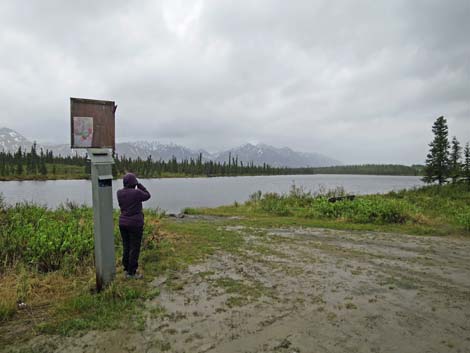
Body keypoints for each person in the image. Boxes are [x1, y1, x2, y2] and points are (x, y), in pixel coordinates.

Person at [117, 173, 151, 279]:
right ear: (133, 182)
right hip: (135, 224)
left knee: (126, 246)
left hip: (123, 223)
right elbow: (147, 195)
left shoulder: (119, 193)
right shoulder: (136, 193)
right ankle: (132, 273)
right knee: (134, 248)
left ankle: (126, 268)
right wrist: (139, 184)